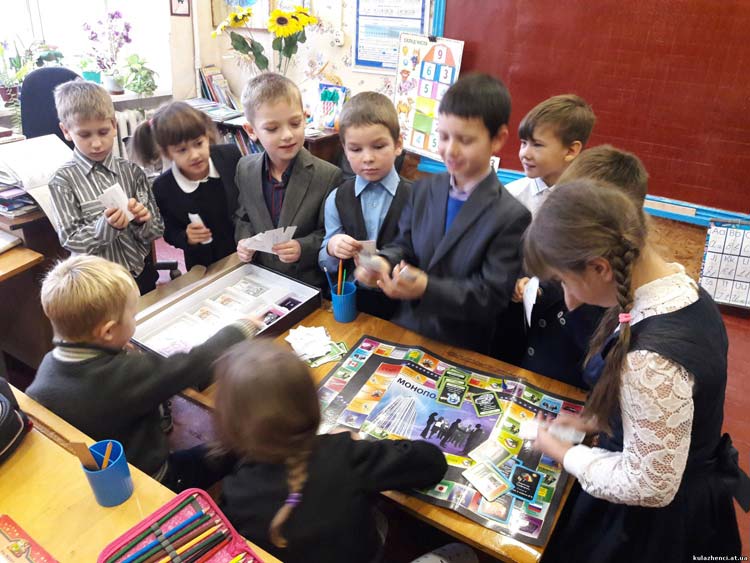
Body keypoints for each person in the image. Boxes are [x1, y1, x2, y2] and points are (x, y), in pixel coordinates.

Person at [522, 181, 746, 562]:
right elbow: (663, 414)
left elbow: (648, 483)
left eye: (565, 282)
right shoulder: (682, 288)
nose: (569, 302)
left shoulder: (649, 362)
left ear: (600, 268)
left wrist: (564, 452)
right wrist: (595, 420)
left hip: (655, 528)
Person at [26, 255, 258, 491]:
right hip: (152, 480)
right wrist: (240, 329)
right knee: (237, 446)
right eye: (132, 316)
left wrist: (114, 348)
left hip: (101, 475)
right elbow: (192, 365)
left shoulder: (48, 366)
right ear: (108, 332)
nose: (134, 319)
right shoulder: (126, 374)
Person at [215, 340, 447, 563]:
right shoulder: (345, 454)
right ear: (315, 406)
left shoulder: (233, 493)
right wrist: (354, 444)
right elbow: (432, 463)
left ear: (230, 426)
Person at [355, 73, 531, 354]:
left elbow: (490, 297)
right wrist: (384, 262)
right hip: (406, 327)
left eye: (465, 140)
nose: (451, 150)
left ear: (498, 139)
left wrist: (427, 288)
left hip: (461, 346)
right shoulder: (424, 189)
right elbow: (404, 246)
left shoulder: (511, 215)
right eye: (444, 136)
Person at [516, 145, 650, 388]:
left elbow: (601, 369)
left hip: (573, 389)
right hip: (534, 375)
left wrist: (576, 308)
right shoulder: (572, 254)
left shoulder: (618, 291)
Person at [48, 80, 164, 295]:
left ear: (114, 125)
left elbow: (156, 229)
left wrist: (142, 221)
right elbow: (71, 240)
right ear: (66, 131)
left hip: (140, 273)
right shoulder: (62, 181)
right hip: (99, 286)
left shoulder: (132, 172)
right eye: (84, 135)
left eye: (103, 132)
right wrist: (107, 226)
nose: (96, 144)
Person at [235, 73, 342, 289]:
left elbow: (331, 234)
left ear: (305, 117)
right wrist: (244, 241)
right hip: (260, 278)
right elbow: (243, 217)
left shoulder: (328, 175)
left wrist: (303, 247)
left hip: (306, 284)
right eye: (272, 128)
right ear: (251, 130)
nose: (287, 135)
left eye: (295, 123)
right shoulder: (245, 169)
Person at [318, 92, 412, 318]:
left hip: (403, 309)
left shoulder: (418, 199)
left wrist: (392, 265)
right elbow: (325, 261)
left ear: (398, 144)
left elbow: (425, 255)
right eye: (356, 149)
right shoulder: (337, 198)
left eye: (378, 146)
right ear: (344, 149)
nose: (368, 158)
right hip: (352, 304)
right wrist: (333, 247)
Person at [130, 101, 242, 271]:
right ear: (167, 153)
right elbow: (169, 230)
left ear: (207, 137)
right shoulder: (163, 187)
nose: (194, 155)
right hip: (203, 265)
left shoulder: (230, 157)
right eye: (182, 150)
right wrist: (186, 237)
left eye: (198, 143)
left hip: (243, 253)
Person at [505, 94, 595, 215]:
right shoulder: (510, 198)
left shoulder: (590, 206)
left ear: (571, 151)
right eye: (524, 143)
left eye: (537, 145)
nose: (525, 154)